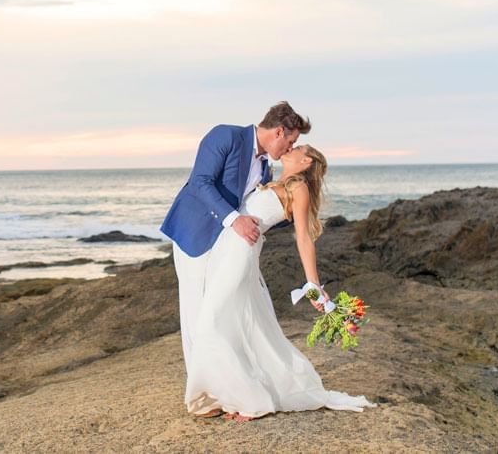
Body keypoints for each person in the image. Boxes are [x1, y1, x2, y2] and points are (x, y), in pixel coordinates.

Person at [184, 144, 376, 421]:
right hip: (224, 253)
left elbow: (304, 237)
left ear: (306, 160)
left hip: (240, 255)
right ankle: (234, 396)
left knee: (213, 321)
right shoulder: (272, 180)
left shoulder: (298, 188)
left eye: (298, 147)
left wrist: (314, 284)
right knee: (236, 324)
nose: (291, 147)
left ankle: (252, 401)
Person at [160, 102, 308, 376]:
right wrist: (234, 220)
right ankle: (202, 389)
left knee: (217, 312)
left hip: (225, 246)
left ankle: (219, 380)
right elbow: (200, 182)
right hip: (194, 233)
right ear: (278, 131)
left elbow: (250, 211)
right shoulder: (225, 136)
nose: (290, 148)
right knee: (195, 309)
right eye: (291, 141)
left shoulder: (265, 169)